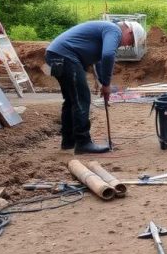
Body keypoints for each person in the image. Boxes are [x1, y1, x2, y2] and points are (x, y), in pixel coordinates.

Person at [45, 20, 144, 154]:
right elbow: (108, 55)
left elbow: (99, 61)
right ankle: (83, 143)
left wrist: (104, 82)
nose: (127, 45)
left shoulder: (105, 30)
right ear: (129, 31)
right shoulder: (114, 30)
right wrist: (107, 85)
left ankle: (69, 141)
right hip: (66, 55)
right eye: (130, 41)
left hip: (55, 54)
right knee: (82, 98)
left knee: (71, 100)